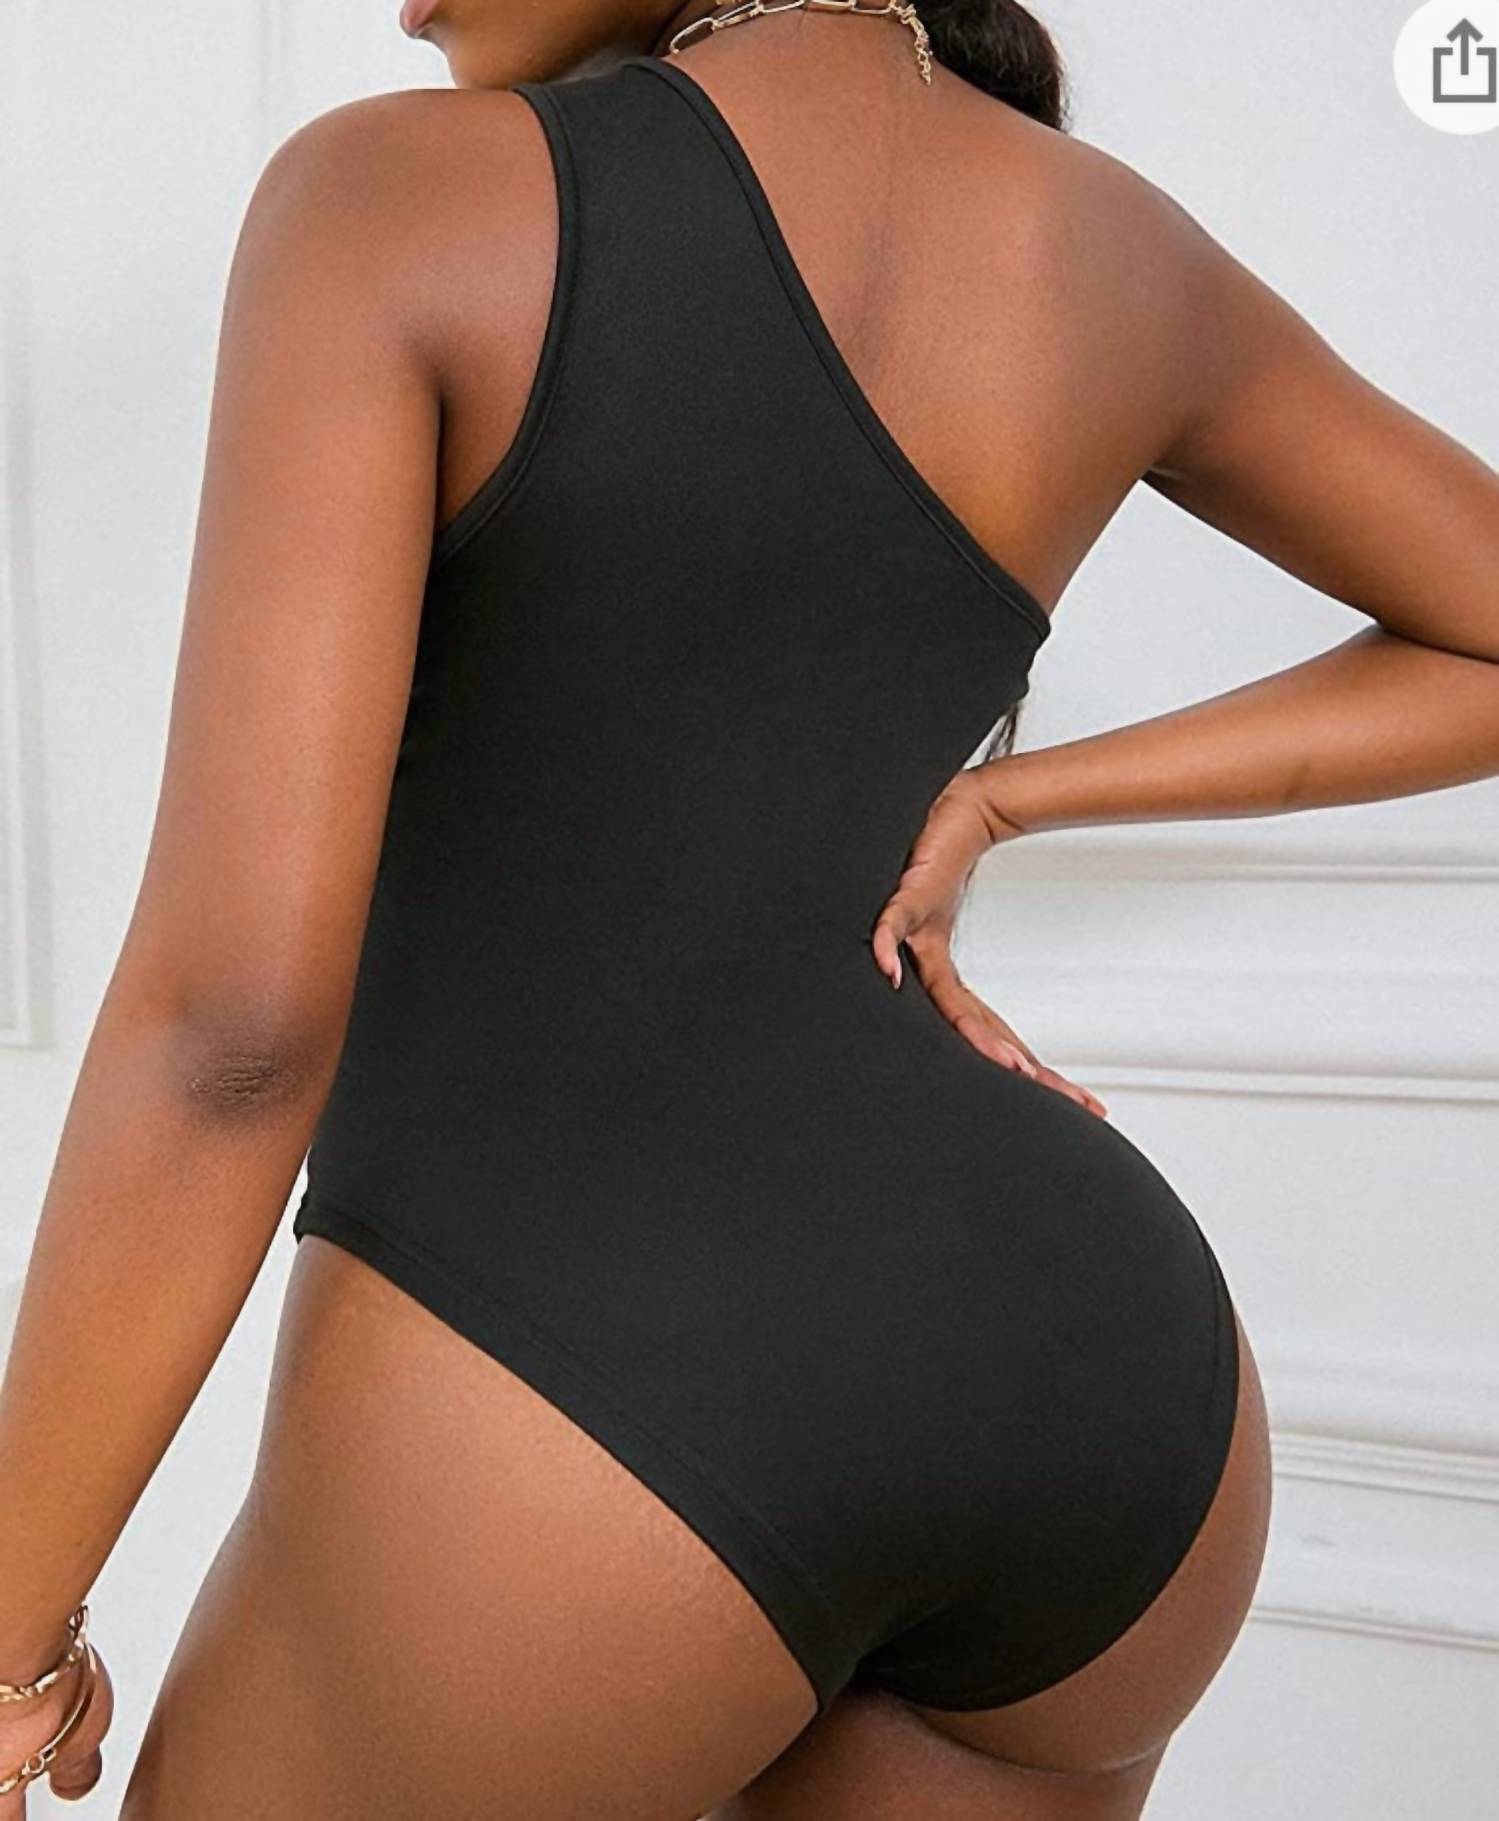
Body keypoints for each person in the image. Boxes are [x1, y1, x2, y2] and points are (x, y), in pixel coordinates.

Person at [2, 0, 1495, 1814]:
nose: (401, 3)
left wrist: (8, 1633)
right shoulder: (1123, 250)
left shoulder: (394, 199)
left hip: (579, 1386)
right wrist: (1005, 797)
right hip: (1107, 1403)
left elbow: (230, 1036)